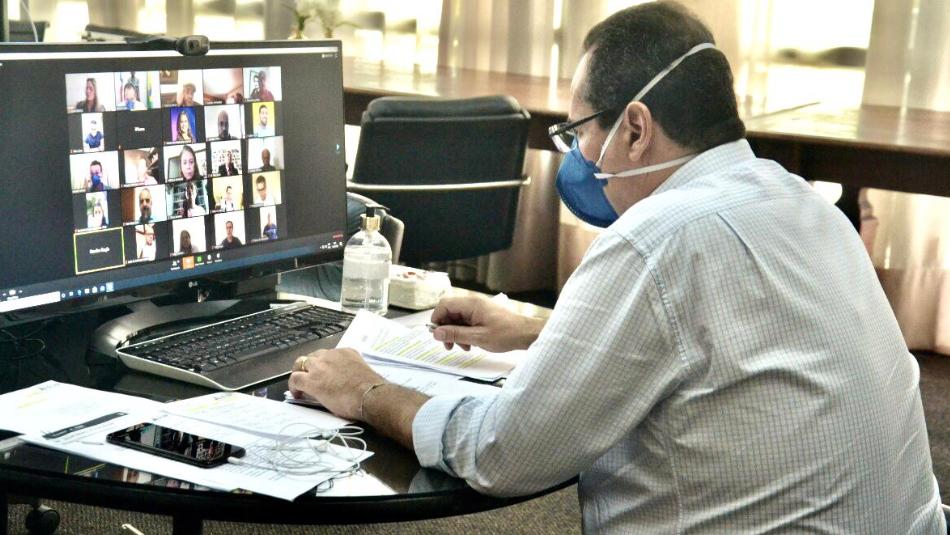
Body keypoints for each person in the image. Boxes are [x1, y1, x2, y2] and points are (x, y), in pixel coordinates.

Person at [286, 3, 947, 533]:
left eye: (580, 133)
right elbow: (736, 344)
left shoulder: (654, 237)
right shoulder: (803, 202)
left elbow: (503, 452)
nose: (578, 157)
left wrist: (365, 390)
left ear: (634, 128)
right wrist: (537, 330)